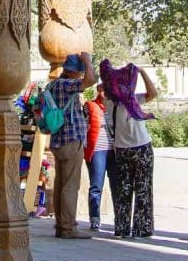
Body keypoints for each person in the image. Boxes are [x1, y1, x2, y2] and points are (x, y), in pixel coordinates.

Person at [100, 59, 157, 239]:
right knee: (140, 188)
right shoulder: (124, 101)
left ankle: (124, 228)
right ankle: (139, 228)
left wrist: (139, 73)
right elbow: (101, 88)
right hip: (138, 149)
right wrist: (135, 73)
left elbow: (153, 93)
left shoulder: (117, 102)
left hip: (126, 150)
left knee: (126, 190)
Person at [48, 52, 95, 240]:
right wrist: (87, 61)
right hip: (71, 139)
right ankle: (68, 227)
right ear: (76, 72)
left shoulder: (53, 84)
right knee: (70, 185)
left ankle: (61, 224)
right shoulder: (67, 85)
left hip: (58, 140)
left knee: (60, 183)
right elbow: (90, 80)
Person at [83, 81, 111, 233]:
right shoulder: (90, 106)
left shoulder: (115, 107)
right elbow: (84, 124)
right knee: (96, 186)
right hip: (98, 150)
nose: (105, 93)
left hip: (114, 150)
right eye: (102, 90)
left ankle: (120, 220)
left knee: (117, 186)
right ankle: (94, 219)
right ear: (98, 90)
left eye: (107, 90)